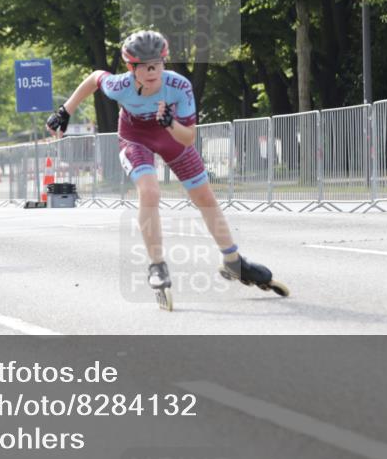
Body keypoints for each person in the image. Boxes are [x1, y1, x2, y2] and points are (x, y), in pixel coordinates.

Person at [46, 30, 288, 310]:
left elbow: (188, 138)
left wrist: (171, 123)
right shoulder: (119, 85)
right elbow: (94, 78)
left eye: (157, 65)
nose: (152, 73)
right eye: (145, 67)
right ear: (130, 68)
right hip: (134, 136)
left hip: (171, 133)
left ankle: (233, 261)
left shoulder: (179, 86)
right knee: (149, 192)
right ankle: (157, 265)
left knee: (205, 198)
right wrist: (65, 111)